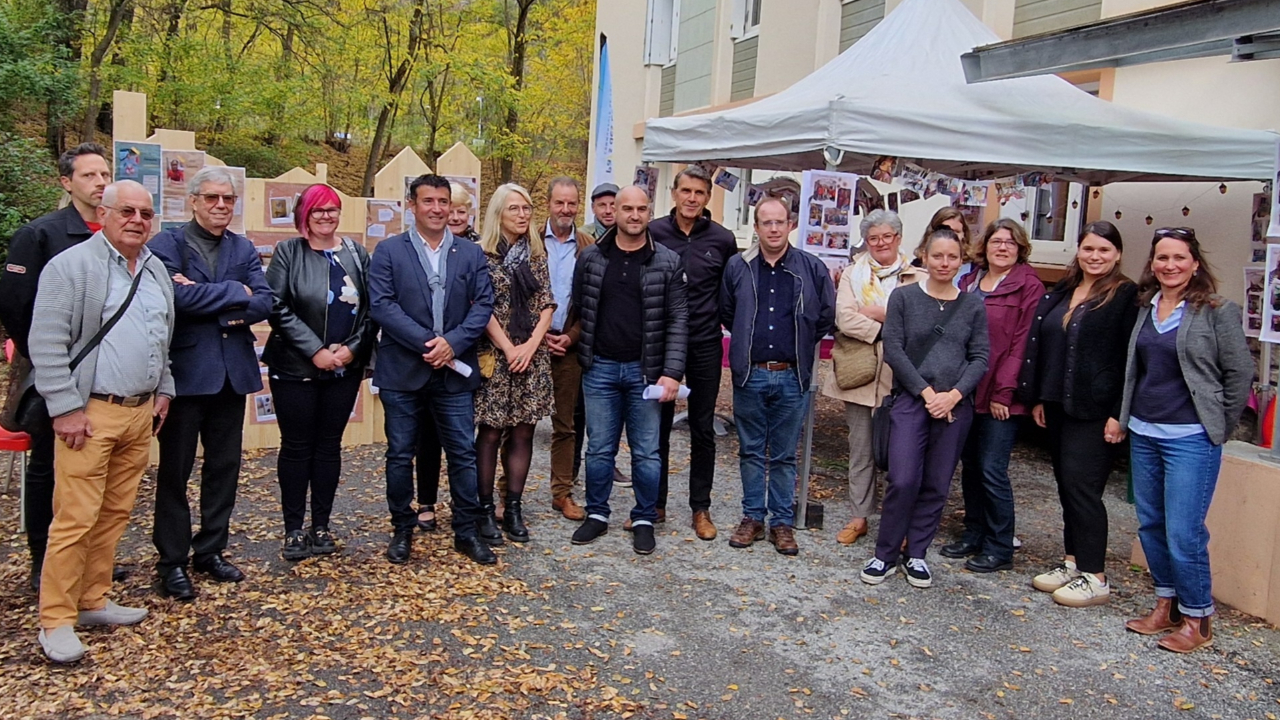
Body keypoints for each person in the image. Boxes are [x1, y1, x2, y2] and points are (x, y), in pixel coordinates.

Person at [28, 180, 175, 663]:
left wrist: (164, 389)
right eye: (127, 211)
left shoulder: (153, 269)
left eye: (146, 213)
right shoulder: (70, 268)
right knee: (74, 517)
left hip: (139, 412)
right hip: (89, 413)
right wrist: (65, 408)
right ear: (104, 213)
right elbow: (46, 343)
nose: (137, 220)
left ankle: (92, 599)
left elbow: (160, 337)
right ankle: (56, 619)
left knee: (114, 513)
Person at [1119, 228, 1251, 653]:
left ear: (1195, 263)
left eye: (1179, 258)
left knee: (1184, 531)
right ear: (1152, 264)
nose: (1169, 266)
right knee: (1151, 524)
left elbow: (1240, 372)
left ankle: (1197, 617)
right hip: (1144, 431)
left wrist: (1219, 424)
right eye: (1162, 258)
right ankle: (1166, 606)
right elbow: (1135, 370)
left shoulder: (1216, 310)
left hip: (1191, 438)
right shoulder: (1147, 307)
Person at [148, 166, 273, 601]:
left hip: (231, 376)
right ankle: (171, 561)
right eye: (212, 198)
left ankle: (211, 549)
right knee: (175, 472)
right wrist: (234, 291)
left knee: (224, 469)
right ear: (194, 201)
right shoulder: (167, 243)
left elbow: (264, 302)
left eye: (228, 200)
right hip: (186, 376)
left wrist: (218, 298)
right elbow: (173, 298)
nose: (220, 206)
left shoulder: (242, 246)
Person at [0, 143, 112, 592]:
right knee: (49, 467)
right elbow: (17, 307)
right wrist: (55, 365)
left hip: (109, 379)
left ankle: (89, 563)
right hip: (56, 374)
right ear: (67, 183)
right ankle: (43, 563)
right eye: (89, 176)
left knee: (95, 468)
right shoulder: (41, 235)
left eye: (104, 174)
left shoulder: (118, 232)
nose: (100, 182)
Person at [368, 173, 496, 566]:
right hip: (403, 371)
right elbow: (382, 305)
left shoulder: (470, 253)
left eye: (443, 202)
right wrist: (430, 344)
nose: (437, 209)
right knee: (400, 454)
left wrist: (452, 344)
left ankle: (466, 532)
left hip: (454, 373)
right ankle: (402, 530)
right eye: (429, 201)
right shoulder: (388, 251)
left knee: (462, 453)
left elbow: (482, 305)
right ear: (412, 205)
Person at [860, 228, 988, 589]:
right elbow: (894, 349)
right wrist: (928, 393)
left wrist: (954, 395)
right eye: (937, 256)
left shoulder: (973, 304)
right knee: (903, 478)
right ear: (924, 257)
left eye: (952, 257)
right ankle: (884, 553)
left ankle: (917, 552)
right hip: (912, 401)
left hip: (954, 407)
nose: (944, 263)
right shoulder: (903, 298)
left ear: (961, 260)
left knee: (936, 482)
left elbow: (979, 357)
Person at [1018, 221, 1138, 608]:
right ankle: (1073, 562)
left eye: (1104, 250)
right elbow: (1047, 346)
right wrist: (1039, 396)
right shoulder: (1066, 290)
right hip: (1057, 403)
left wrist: (1120, 414)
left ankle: (1096, 576)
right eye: (1089, 249)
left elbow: (1130, 360)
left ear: (1117, 254)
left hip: (1096, 409)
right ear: (1079, 251)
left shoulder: (1125, 295)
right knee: (1066, 485)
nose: (1095, 257)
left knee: (1085, 489)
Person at [570, 185, 687, 555]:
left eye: (641, 209)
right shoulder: (590, 258)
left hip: (646, 373)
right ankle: (597, 514)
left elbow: (678, 319)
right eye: (627, 209)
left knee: (647, 452)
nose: (634, 215)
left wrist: (672, 372)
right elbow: (579, 308)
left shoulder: (667, 261)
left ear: (649, 213)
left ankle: (643, 518)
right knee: (599, 449)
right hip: (600, 368)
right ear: (613, 212)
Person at [262, 184, 375, 561]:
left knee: (329, 446)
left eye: (332, 209)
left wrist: (351, 349)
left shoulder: (356, 254)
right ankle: (293, 528)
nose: (326, 216)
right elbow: (275, 306)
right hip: (295, 368)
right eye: (318, 210)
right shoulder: (288, 252)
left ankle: (321, 524)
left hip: (344, 368)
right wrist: (314, 350)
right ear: (304, 215)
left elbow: (372, 310)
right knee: (297, 447)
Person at [720, 198, 834, 555]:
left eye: (779, 222)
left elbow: (825, 318)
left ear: (790, 225)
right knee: (751, 450)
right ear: (755, 227)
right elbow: (727, 312)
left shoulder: (811, 268)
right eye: (766, 222)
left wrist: (796, 345)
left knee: (785, 454)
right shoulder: (738, 266)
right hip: (750, 374)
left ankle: (781, 522)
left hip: (791, 375)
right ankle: (752, 517)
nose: (773, 229)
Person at [941, 220, 1044, 573]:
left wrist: (1004, 391)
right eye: (996, 241)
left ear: (1020, 248)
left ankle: (1000, 544)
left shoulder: (1028, 287)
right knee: (970, 465)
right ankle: (974, 532)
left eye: (1010, 243)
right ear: (984, 247)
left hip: (1002, 393)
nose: (1002, 247)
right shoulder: (969, 282)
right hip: (968, 389)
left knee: (991, 468)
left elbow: (1022, 344)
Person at [821, 210, 923, 546]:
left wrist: (880, 314)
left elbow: (919, 325)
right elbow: (845, 318)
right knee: (861, 449)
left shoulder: (917, 277)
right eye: (873, 238)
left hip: (902, 378)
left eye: (886, 237)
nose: (880, 243)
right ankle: (858, 516)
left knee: (901, 453)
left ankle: (898, 523)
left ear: (898, 238)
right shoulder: (853, 273)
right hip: (860, 374)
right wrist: (891, 326)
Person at [649, 165, 738, 540]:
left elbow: (730, 290)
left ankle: (700, 507)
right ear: (674, 193)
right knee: (656, 427)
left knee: (702, 427)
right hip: (661, 342)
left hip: (704, 341)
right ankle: (653, 503)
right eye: (685, 191)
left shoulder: (722, 239)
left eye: (699, 193)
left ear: (707, 198)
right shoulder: (653, 232)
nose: (691, 199)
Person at [473, 183, 556, 544]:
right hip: (497, 355)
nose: (522, 215)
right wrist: (509, 348)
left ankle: (515, 507)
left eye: (526, 208)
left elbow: (547, 302)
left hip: (531, 356)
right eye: (514, 209)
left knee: (524, 430)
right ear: (498, 213)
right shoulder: (481, 254)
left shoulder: (536, 253)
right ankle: (485, 509)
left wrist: (532, 344)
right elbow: (482, 306)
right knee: (490, 433)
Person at [542, 178, 594, 520]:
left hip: (569, 345)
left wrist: (571, 336)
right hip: (528, 344)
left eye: (572, 203)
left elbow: (593, 303)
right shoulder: (529, 242)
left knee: (566, 424)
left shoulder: (588, 247)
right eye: (560, 203)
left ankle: (562, 492)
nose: (566, 210)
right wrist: (536, 336)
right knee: (515, 423)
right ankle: (505, 492)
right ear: (548, 203)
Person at [914, 207, 973, 285]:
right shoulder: (917, 266)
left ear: (964, 234)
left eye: (956, 232)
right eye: (945, 230)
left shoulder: (974, 268)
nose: (950, 236)